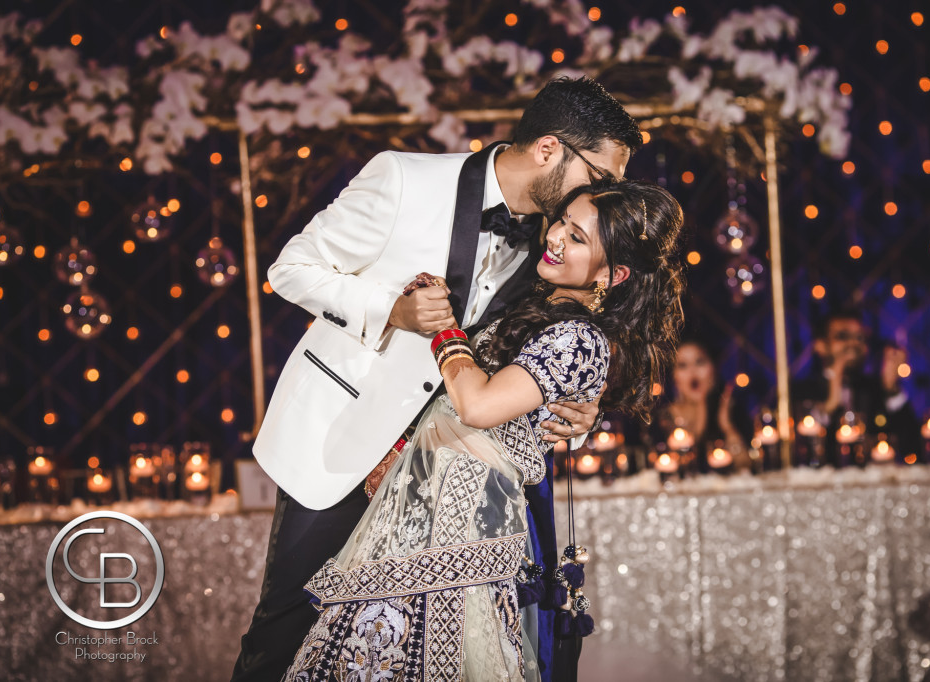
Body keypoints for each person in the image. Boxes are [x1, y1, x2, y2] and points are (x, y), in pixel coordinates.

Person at [231, 77, 643, 682]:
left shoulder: (559, 245)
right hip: (348, 434)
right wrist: (390, 313)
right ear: (551, 150)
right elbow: (290, 269)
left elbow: (544, 363)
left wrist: (579, 417)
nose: (605, 197)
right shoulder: (404, 178)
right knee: (288, 627)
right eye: (601, 178)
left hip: (451, 480)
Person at [282, 178, 686, 681]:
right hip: (422, 510)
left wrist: (443, 330)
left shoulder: (580, 338)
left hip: (465, 521)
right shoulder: (542, 310)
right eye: (562, 221)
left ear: (613, 274)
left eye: (578, 238)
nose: (556, 236)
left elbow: (475, 405)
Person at [792, 309, 918, 463]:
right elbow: (797, 451)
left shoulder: (877, 388)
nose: (853, 343)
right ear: (820, 345)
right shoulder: (799, 391)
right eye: (842, 336)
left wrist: (891, 389)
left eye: (860, 337)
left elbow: (913, 446)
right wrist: (830, 404)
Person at [648, 338, 753, 472]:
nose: (692, 372)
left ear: (713, 368)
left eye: (699, 362)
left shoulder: (732, 412)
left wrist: (726, 425)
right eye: (682, 365)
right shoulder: (662, 419)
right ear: (675, 377)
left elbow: (745, 466)